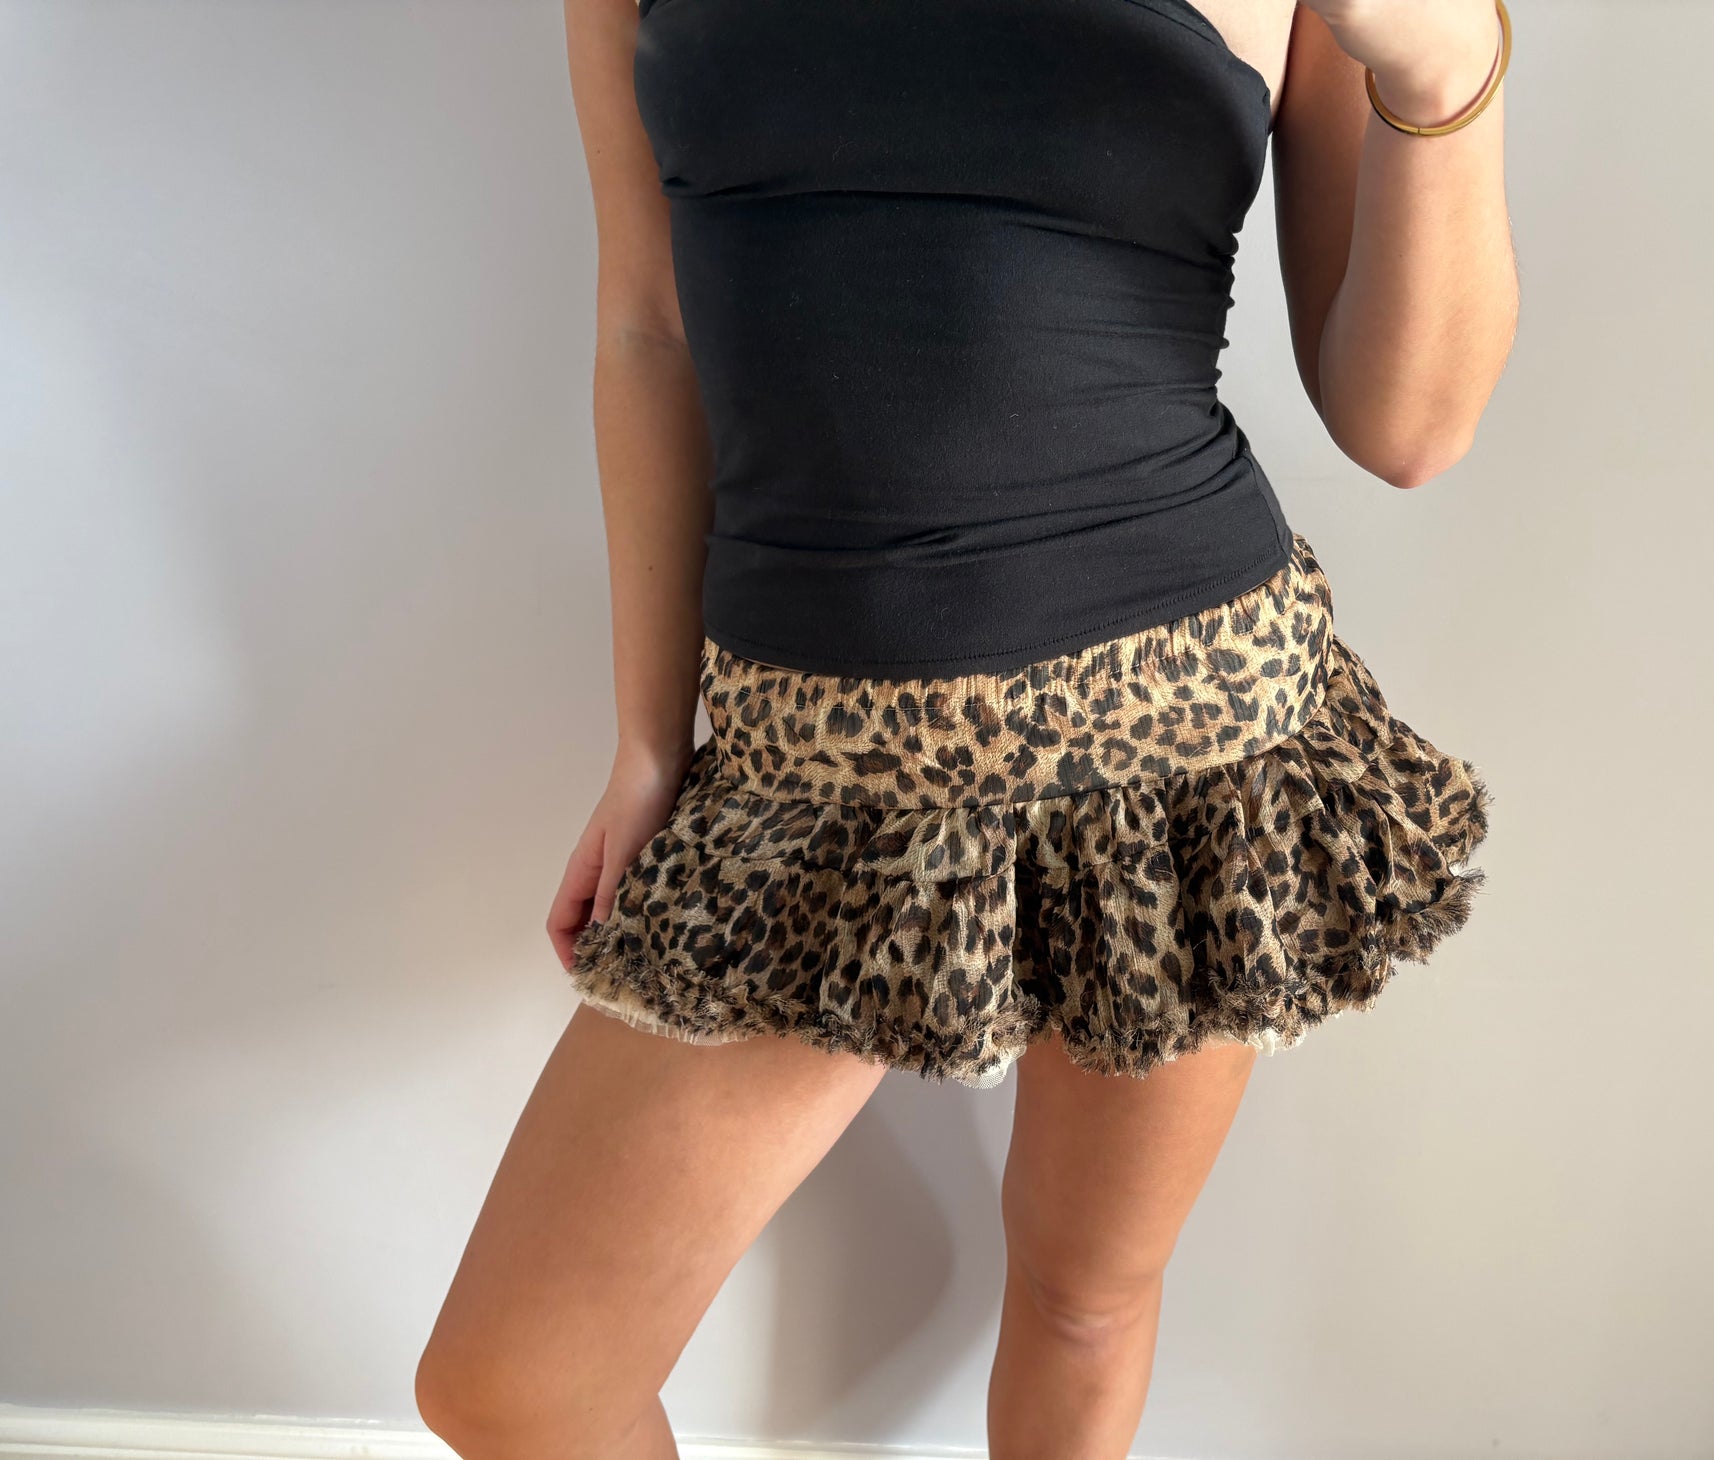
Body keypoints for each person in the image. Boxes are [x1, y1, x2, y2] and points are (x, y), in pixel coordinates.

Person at [417, 0, 1515, 1454]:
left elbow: (1409, 428)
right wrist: (649, 741)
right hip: (813, 766)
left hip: (1184, 748)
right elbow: (648, 324)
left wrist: (1442, 59)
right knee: (516, 1379)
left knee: (1085, 1298)